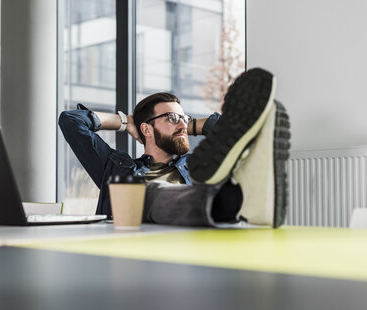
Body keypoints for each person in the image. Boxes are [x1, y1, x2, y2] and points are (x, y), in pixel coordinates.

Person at [59, 68, 290, 227]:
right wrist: (125, 121)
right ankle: (233, 200)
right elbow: (71, 121)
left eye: (185, 118)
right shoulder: (116, 167)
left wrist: (189, 126)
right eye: (171, 117)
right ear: (146, 130)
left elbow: (234, 130)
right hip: (132, 245)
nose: (182, 123)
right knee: (144, 193)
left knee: (187, 191)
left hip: (187, 244)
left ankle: (231, 198)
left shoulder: (195, 165)